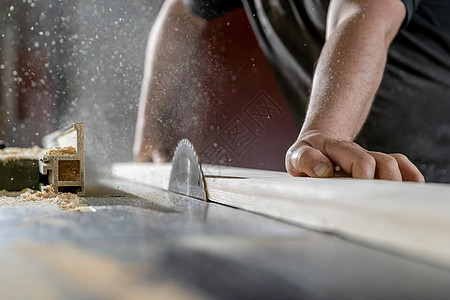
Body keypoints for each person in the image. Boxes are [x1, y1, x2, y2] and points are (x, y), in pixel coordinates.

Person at [134, 0, 450, 183]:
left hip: (429, 170)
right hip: (345, 171)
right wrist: (149, 137)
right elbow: (180, 13)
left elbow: (364, 15)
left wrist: (324, 133)